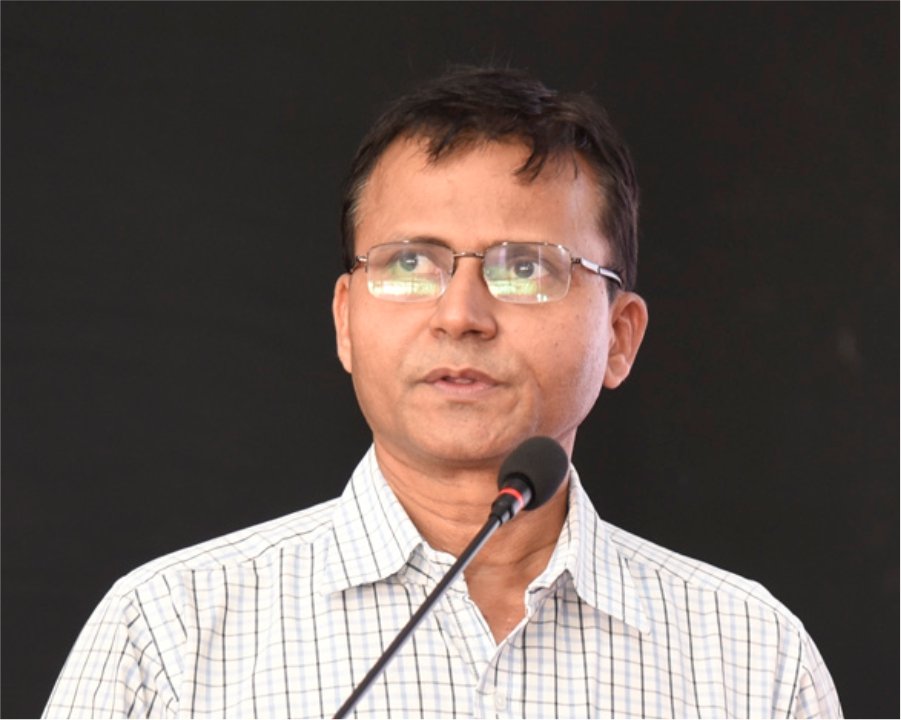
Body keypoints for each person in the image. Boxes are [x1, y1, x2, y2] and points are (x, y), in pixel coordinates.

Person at [44, 66, 842, 719]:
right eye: (408, 264)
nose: (460, 315)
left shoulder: (750, 657)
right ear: (345, 321)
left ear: (620, 336)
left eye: (524, 268)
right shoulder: (171, 634)